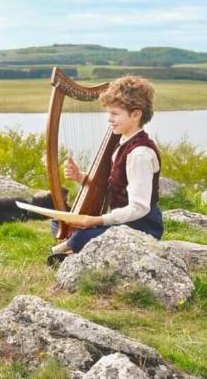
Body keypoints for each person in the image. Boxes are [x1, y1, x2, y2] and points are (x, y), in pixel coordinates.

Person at [51, 75, 163, 257]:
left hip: (142, 227)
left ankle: (68, 250)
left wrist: (97, 220)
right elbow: (116, 183)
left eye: (115, 114)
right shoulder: (124, 142)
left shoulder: (140, 154)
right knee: (60, 222)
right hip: (124, 221)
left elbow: (139, 208)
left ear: (136, 114)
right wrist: (80, 176)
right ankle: (72, 249)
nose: (109, 119)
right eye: (109, 113)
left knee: (81, 235)